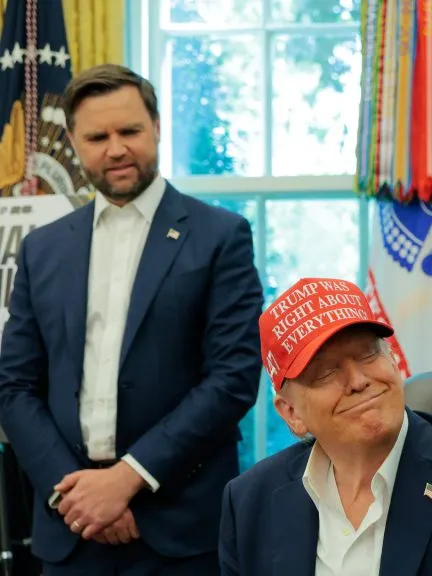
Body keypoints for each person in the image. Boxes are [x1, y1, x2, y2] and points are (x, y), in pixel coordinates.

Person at [0, 64, 264, 574]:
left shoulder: (220, 236)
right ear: (73, 143)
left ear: (157, 127)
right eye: (97, 137)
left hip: (179, 528)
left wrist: (127, 480)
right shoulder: (42, 249)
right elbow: (14, 386)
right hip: (70, 525)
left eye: (130, 131)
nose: (116, 149)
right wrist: (76, 496)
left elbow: (232, 378)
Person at [219, 277, 432, 576]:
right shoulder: (249, 502)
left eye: (368, 353)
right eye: (325, 372)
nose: (357, 381)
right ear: (291, 413)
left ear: (392, 358)